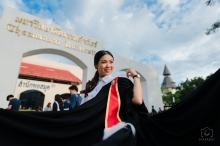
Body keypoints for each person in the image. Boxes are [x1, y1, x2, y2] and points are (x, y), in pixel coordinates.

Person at [0, 50, 220, 146]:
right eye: (104, 62)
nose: (108, 65)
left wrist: (135, 78)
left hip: (117, 128)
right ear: (96, 65)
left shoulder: (120, 82)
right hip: (86, 127)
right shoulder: (90, 89)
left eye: (111, 61)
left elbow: (136, 102)